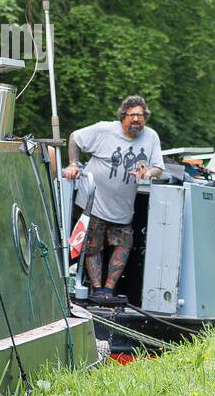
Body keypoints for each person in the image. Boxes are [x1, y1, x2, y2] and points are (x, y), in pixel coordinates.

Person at [63, 95, 164, 302]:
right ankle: (96, 289)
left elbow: (158, 167)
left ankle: (109, 290)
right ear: (123, 116)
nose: (136, 119)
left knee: (124, 244)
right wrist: (73, 163)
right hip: (94, 201)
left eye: (141, 115)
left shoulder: (151, 137)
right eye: (132, 115)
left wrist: (147, 174)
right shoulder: (105, 130)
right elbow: (75, 138)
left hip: (123, 207)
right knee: (93, 245)